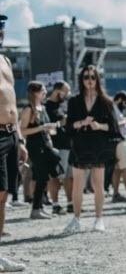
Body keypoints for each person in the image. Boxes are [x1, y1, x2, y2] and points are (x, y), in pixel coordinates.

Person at [63, 65, 118, 233]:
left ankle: (99, 219)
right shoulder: (74, 101)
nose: (89, 80)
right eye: (86, 77)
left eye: (93, 77)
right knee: (77, 184)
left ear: (97, 79)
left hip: (98, 146)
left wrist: (98, 125)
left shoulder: (106, 101)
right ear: (82, 79)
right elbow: (68, 126)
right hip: (80, 145)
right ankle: (76, 219)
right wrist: (81, 123)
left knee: (98, 184)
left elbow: (113, 127)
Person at [0, 13, 29, 272]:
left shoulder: (6, 60)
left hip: (10, 133)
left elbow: (12, 104)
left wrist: (19, 138)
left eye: (1, 29)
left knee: (4, 194)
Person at [20, 81, 60, 219]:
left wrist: (51, 129)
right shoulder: (28, 109)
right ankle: (36, 209)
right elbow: (22, 130)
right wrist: (41, 128)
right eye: (43, 91)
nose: (45, 93)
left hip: (46, 145)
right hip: (35, 147)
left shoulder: (42, 107)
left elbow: (46, 128)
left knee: (43, 178)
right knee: (41, 176)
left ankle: (39, 207)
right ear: (35, 93)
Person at [44, 81, 72, 214]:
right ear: (57, 90)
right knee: (55, 176)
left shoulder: (64, 103)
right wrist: (61, 123)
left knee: (68, 176)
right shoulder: (46, 106)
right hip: (55, 146)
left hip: (68, 144)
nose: (67, 94)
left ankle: (71, 203)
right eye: (65, 91)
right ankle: (55, 204)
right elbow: (45, 126)